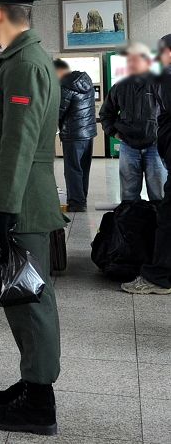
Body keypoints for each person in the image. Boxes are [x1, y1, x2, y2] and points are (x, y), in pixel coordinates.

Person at [0, 0, 66, 435]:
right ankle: (31, 381)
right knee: (19, 295)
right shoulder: (22, 60)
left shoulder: (24, 64)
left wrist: (3, 206)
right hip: (20, 194)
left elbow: (19, 143)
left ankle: (40, 401)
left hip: (21, 197)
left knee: (31, 296)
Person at [122, 34, 171, 295]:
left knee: (165, 214)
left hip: (157, 149)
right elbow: (108, 112)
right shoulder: (123, 86)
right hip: (134, 145)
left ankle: (159, 277)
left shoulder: (165, 79)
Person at [100, 42, 167, 202]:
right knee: (129, 195)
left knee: (159, 194)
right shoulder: (119, 87)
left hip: (155, 147)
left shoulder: (160, 85)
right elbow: (106, 113)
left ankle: (160, 226)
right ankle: (131, 225)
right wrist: (115, 133)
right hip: (128, 147)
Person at [54, 58, 97, 212]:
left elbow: (58, 111)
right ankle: (81, 198)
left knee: (72, 169)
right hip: (88, 133)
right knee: (83, 168)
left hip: (73, 134)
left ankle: (76, 203)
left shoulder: (66, 86)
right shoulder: (86, 82)